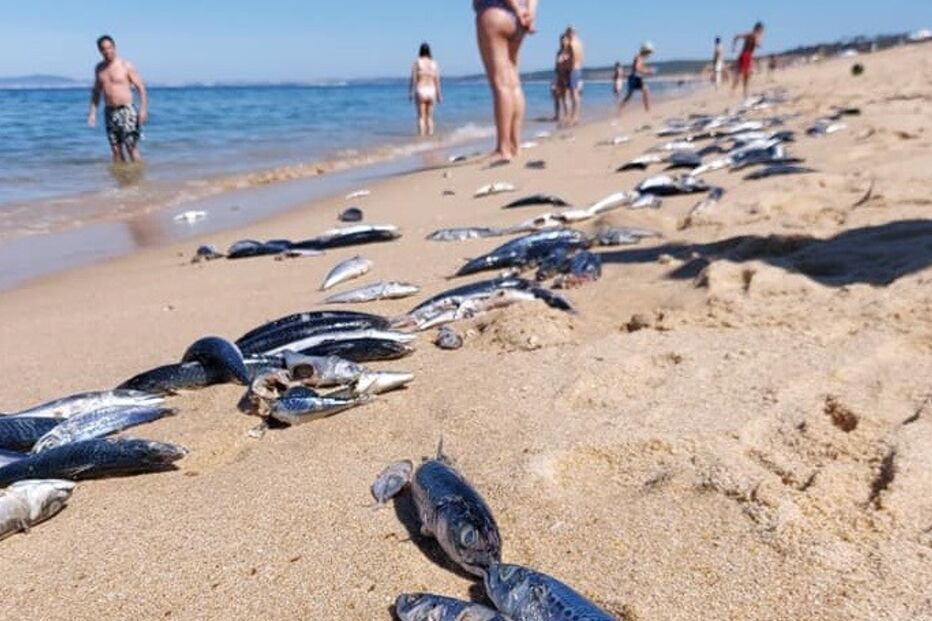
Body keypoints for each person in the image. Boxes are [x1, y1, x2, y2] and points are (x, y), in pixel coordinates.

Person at [473, 0, 538, 164]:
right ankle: (515, 144)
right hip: (518, 21)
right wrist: (528, 13)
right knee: (513, 83)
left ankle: (503, 148)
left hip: (495, 12)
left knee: (501, 84)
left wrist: (516, 8)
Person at [87, 35, 148, 164]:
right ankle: (123, 182)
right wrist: (92, 112)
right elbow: (96, 91)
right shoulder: (99, 69)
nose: (107, 51)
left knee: (131, 147)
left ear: (114, 48)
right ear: (100, 51)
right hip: (109, 112)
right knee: (115, 150)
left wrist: (143, 110)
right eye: (103, 48)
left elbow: (141, 88)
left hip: (127, 110)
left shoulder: (125, 65)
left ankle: (139, 180)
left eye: (109, 47)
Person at [410, 43, 442, 136]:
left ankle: (421, 138)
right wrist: (439, 94)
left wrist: (411, 92)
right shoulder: (434, 63)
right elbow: (437, 79)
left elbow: (413, 78)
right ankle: (430, 137)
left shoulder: (417, 62)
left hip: (421, 89)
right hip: (432, 90)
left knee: (421, 117)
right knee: (430, 117)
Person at [618, 42, 655, 113]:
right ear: (645, 51)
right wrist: (648, 72)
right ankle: (647, 109)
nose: (649, 54)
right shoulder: (639, 57)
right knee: (630, 96)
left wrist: (647, 70)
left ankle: (647, 109)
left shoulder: (641, 57)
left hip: (636, 78)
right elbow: (637, 68)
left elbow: (639, 67)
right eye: (649, 52)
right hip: (634, 78)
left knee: (644, 91)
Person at [732, 21, 764, 98]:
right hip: (746, 56)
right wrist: (758, 41)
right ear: (758, 29)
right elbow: (757, 44)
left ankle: (741, 91)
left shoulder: (750, 34)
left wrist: (734, 47)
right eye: (761, 30)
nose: (762, 31)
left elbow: (736, 36)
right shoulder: (754, 35)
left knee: (744, 75)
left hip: (746, 56)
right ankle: (736, 91)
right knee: (744, 75)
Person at [564, 26, 584, 125]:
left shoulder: (572, 44)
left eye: (567, 34)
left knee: (573, 94)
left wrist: (567, 64)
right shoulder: (580, 43)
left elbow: (573, 59)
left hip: (573, 70)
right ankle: (574, 116)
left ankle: (574, 117)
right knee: (574, 94)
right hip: (578, 69)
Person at [552, 34, 572, 123]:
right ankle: (557, 115)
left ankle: (567, 115)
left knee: (565, 97)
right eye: (561, 40)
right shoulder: (559, 52)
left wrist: (564, 60)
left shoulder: (570, 52)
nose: (563, 42)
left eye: (564, 40)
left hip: (566, 76)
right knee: (556, 96)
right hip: (558, 76)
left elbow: (571, 65)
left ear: (568, 41)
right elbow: (556, 65)